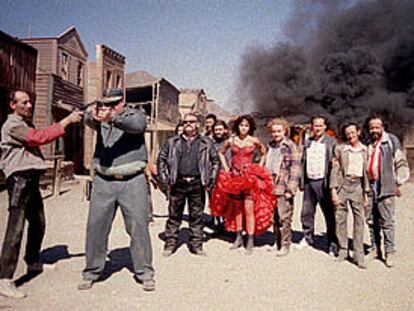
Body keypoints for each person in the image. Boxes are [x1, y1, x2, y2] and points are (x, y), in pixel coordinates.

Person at [0, 90, 83, 299]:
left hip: (30, 179)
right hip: (19, 179)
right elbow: (40, 138)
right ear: (13, 105)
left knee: (38, 223)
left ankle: (33, 262)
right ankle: (4, 279)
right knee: (16, 228)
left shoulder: (24, 123)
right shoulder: (13, 125)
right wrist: (67, 121)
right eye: (24, 102)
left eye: (30, 102)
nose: (29, 106)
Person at [78, 88, 155, 291]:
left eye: (114, 104)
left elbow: (137, 126)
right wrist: (93, 114)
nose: (110, 108)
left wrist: (112, 117)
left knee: (138, 226)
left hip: (133, 180)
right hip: (104, 181)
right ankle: (92, 271)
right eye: (107, 104)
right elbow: (87, 120)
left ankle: (144, 272)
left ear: (123, 101)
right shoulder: (101, 117)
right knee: (96, 227)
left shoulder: (135, 113)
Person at [210, 115, 275, 255]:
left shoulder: (254, 141)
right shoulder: (231, 140)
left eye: (246, 125)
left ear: (250, 127)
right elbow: (221, 153)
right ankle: (239, 237)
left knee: (249, 209)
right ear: (237, 126)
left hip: (249, 179)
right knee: (237, 210)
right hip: (234, 179)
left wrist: (258, 167)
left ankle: (250, 239)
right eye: (241, 125)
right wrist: (227, 168)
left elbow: (264, 153)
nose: (243, 128)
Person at [157, 112, 220, 257]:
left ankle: (196, 244)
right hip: (178, 183)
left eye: (191, 122)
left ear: (198, 124)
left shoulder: (206, 143)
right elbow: (161, 159)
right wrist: (164, 179)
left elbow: (215, 161)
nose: (188, 124)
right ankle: (170, 243)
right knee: (174, 215)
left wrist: (211, 180)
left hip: (197, 184)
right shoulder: (172, 142)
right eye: (185, 122)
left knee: (196, 216)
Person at [365, 116, 409, 268]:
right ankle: (375, 248)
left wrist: (399, 182)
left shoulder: (391, 141)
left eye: (377, 127)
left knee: (387, 221)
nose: (374, 130)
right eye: (372, 127)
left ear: (382, 127)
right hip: (371, 186)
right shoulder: (369, 143)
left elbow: (400, 161)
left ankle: (389, 251)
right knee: (371, 220)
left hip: (386, 185)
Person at [330, 123, 370, 269]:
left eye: (353, 132)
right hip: (343, 185)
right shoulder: (340, 149)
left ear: (358, 132)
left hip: (358, 186)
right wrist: (333, 190)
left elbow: (367, 174)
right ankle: (343, 250)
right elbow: (335, 170)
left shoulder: (366, 150)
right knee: (340, 219)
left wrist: (366, 193)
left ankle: (359, 255)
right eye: (348, 133)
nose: (351, 136)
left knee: (359, 220)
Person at [298, 115, 338, 255]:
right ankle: (308, 237)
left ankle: (332, 242)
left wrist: (333, 185)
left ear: (325, 127)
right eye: (316, 125)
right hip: (309, 181)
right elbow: (303, 162)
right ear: (312, 126)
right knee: (307, 212)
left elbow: (334, 165)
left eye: (321, 125)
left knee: (329, 213)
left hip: (324, 182)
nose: (318, 128)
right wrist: (301, 181)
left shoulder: (332, 142)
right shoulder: (308, 142)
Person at [265, 118, 301, 257]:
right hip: (271, 184)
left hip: (283, 185)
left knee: (284, 217)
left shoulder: (290, 146)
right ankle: (277, 242)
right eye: (273, 131)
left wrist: (290, 190)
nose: (276, 134)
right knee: (274, 217)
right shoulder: (271, 145)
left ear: (285, 131)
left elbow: (295, 168)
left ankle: (285, 244)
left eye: (279, 131)